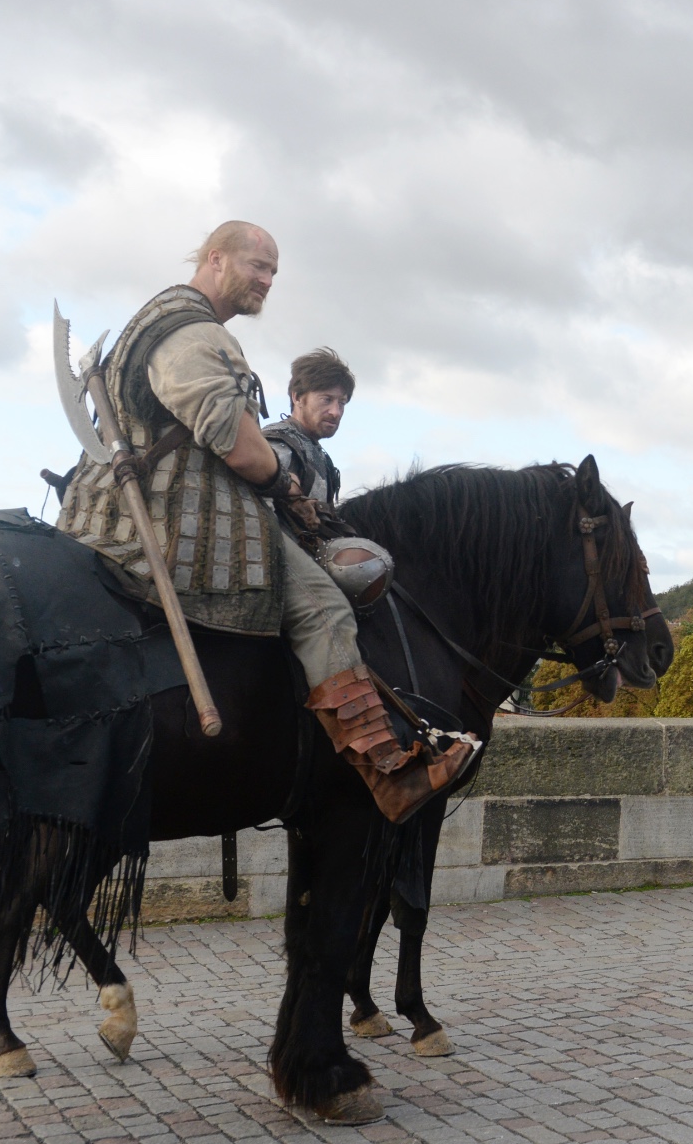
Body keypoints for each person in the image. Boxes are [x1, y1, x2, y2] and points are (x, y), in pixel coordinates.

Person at [56, 221, 472, 823]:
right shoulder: (192, 334)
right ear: (216, 259)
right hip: (186, 516)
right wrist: (284, 481)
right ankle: (389, 773)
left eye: (273, 272)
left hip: (147, 502)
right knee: (324, 607)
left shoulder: (158, 325)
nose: (267, 281)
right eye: (258, 266)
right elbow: (244, 451)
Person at [264, 348, 352, 511]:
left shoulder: (317, 452)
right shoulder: (279, 443)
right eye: (326, 399)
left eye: (342, 403)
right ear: (297, 397)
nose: (336, 412)